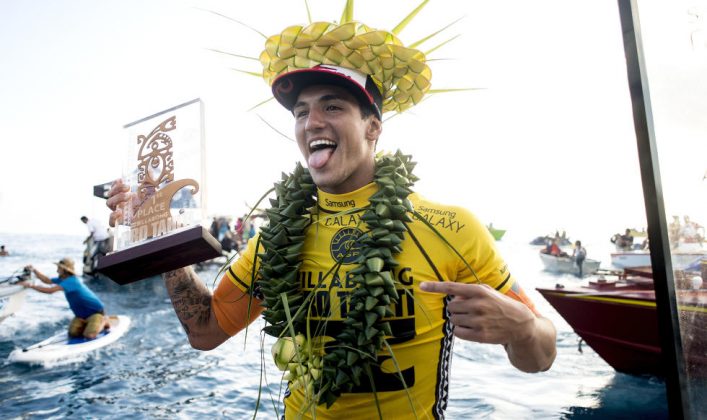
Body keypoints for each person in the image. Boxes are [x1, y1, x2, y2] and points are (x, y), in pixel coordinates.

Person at [106, 12, 556, 418]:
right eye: (301, 112)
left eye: (333, 107)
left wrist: (521, 329)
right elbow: (204, 331)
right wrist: (156, 232)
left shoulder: (451, 227)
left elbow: (539, 357)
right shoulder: (280, 239)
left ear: (373, 126)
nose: (311, 121)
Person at [19, 258, 108, 339]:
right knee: (73, 334)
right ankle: (88, 324)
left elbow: (50, 291)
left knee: (89, 335)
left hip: (95, 312)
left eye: (59, 268)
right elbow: (47, 280)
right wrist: (34, 270)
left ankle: (103, 321)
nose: (57, 270)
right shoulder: (63, 279)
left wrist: (30, 286)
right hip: (81, 315)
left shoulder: (71, 281)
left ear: (64, 270)